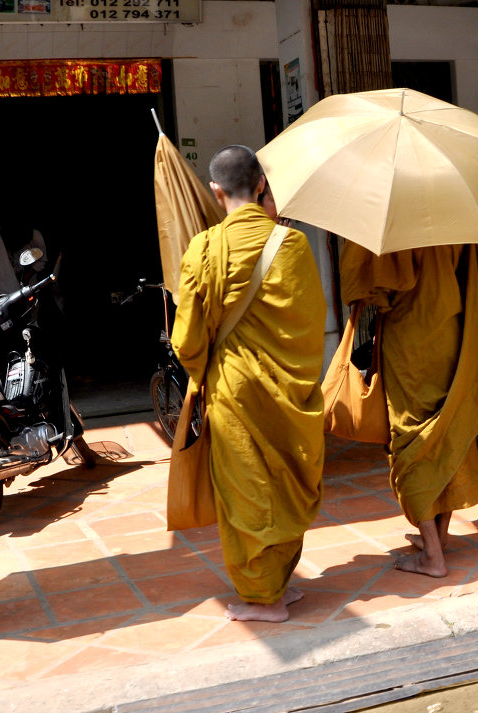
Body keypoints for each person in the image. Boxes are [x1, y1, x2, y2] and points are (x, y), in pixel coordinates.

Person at [172, 144, 326, 623]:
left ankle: (266, 597)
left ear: (216, 191)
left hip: (234, 387)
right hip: (289, 386)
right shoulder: (293, 244)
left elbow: (187, 337)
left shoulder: (204, 248)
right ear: (261, 185)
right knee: (285, 478)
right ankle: (281, 578)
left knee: (248, 489)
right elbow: (309, 320)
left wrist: (204, 370)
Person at [339, 241, 478, 577]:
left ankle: (432, 556)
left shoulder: (393, 214)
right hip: (450, 330)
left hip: (409, 338)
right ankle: (439, 537)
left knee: (411, 439)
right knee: (445, 432)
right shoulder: (457, 210)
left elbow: (362, 283)